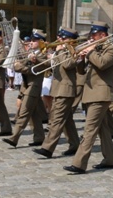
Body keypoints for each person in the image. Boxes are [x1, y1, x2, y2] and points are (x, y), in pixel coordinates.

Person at [64, 22, 113, 173]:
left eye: (94, 35)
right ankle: (109, 159)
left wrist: (89, 52)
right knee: (103, 130)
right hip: (90, 93)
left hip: (101, 94)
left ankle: (79, 164)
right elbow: (82, 72)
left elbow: (102, 64)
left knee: (89, 130)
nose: (91, 38)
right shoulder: (97, 49)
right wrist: (81, 59)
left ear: (103, 35)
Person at [33, 27, 82, 158]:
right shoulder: (62, 51)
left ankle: (47, 148)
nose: (59, 39)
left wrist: (59, 52)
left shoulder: (72, 50)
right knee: (67, 120)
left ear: (70, 39)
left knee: (57, 120)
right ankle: (75, 144)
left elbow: (68, 64)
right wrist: (37, 59)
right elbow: (52, 64)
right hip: (59, 88)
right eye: (60, 37)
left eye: (63, 38)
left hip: (66, 89)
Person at [2, 29, 48, 147]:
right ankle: (39, 137)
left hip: (34, 87)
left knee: (24, 112)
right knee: (34, 114)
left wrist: (18, 66)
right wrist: (17, 65)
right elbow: (21, 66)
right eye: (31, 40)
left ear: (41, 41)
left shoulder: (43, 54)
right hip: (27, 86)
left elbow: (32, 70)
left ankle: (14, 138)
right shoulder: (31, 53)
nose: (31, 42)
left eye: (34, 40)